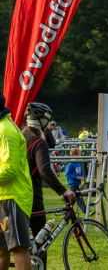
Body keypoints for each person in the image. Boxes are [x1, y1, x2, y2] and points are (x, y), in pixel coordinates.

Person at [23, 102, 75, 267]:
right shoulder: (38, 142)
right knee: (40, 245)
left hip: (17, 193)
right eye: (47, 119)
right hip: (32, 195)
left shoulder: (22, 134)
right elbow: (44, 170)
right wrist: (63, 191)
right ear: (41, 120)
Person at [0, 95, 33, 270]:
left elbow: (10, 170)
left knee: (18, 248)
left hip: (12, 197)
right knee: (2, 250)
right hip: (3, 196)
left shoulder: (5, 131)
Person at [64, 147, 86, 212]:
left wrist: (81, 177)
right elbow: (67, 173)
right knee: (78, 197)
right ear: (74, 155)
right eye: (79, 154)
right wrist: (76, 177)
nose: (80, 155)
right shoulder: (70, 164)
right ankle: (85, 210)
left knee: (74, 198)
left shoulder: (78, 163)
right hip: (72, 183)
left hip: (77, 183)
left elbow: (79, 172)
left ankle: (67, 210)